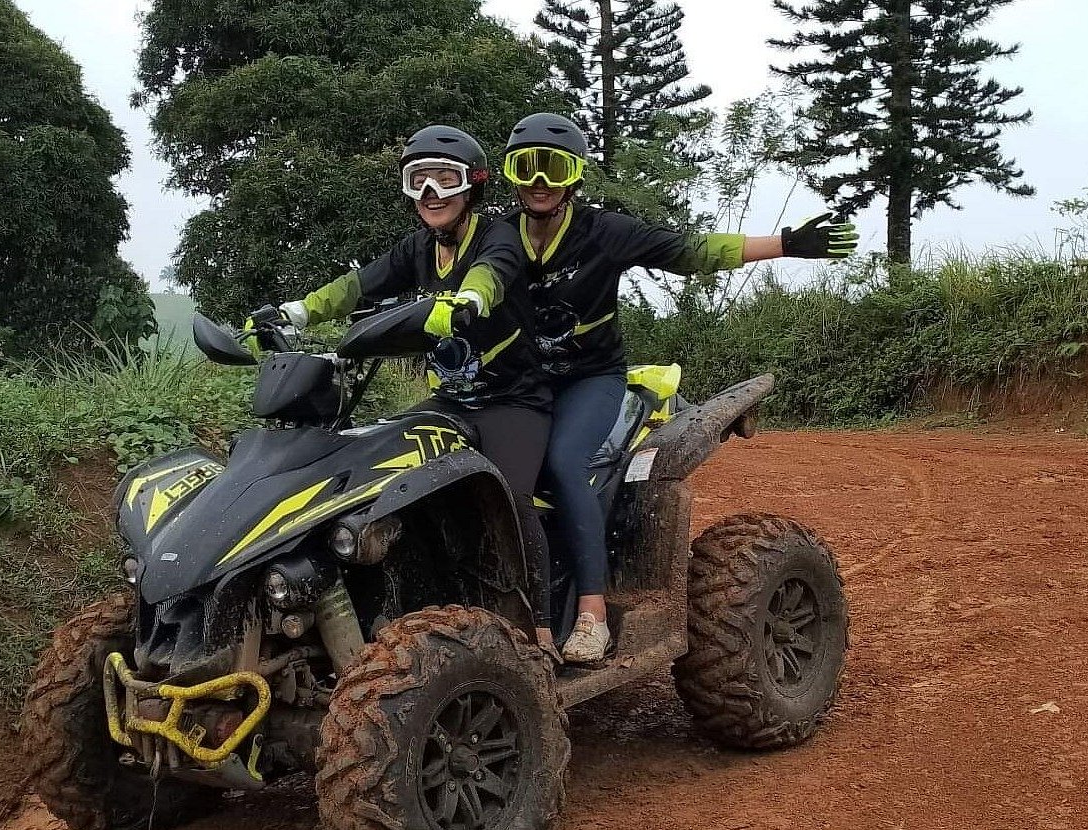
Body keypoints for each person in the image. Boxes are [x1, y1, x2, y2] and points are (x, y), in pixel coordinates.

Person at [502, 112, 860, 664]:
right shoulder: (500, 237)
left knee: (565, 464)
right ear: (511, 174)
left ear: (575, 176)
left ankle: (592, 614)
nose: (540, 181)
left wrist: (786, 243)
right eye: (527, 167)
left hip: (590, 380)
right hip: (521, 383)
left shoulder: (605, 232)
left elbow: (691, 251)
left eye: (555, 167)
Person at [277, 125, 557, 651]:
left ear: (471, 187)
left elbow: (492, 275)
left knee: (511, 497)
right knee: (387, 482)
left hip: (512, 400)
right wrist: (296, 310)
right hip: (450, 401)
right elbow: (359, 285)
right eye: (418, 179)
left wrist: (466, 301)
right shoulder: (418, 249)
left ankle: (538, 627)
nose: (431, 193)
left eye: (444, 179)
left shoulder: (498, 235)